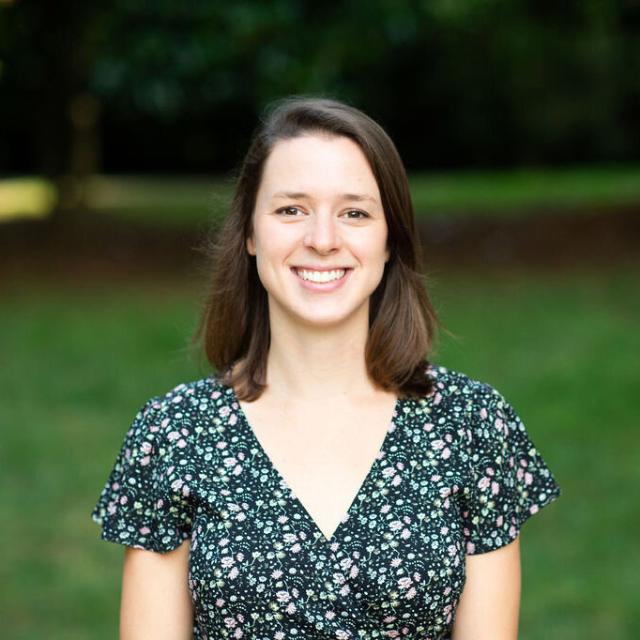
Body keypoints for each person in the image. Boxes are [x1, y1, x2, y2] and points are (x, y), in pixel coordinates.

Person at [91, 96, 561, 639]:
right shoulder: (174, 434)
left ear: (390, 241)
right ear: (249, 233)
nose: (321, 239)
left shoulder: (473, 426)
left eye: (355, 213)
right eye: (291, 209)